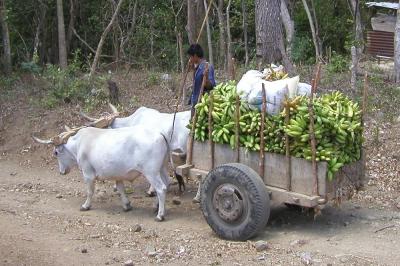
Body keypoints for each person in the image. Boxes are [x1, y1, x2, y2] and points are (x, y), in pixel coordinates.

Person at [187, 44, 216, 117]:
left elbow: (211, 86)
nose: (190, 59)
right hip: (196, 101)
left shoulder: (207, 67)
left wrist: (205, 78)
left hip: (203, 103)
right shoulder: (197, 67)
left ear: (195, 55)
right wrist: (192, 69)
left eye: (191, 56)